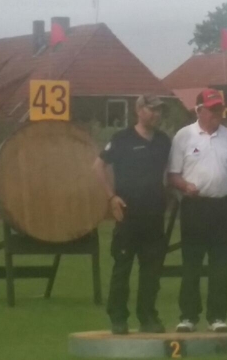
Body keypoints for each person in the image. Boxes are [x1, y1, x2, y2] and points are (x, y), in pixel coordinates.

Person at [168, 89, 227, 333]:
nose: (217, 113)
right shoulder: (184, 136)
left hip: (223, 206)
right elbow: (173, 174)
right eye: (212, 109)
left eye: (219, 109)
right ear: (199, 110)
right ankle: (188, 316)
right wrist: (185, 186)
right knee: (191, 263)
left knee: (221, 264)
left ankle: (217, 316)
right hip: (195, 206)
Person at [92, 95, 171, 335]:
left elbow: (171, 171)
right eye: (151, 109)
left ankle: (148, 317)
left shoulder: (164, 141)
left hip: (154, 215)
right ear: (139, 110)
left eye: (159, 110)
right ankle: (118, 318)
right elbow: (98, 167)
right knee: (122, 267)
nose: (156, 114)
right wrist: (111, 197)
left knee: (151, 270)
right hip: (127, 214)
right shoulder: (122, 139)